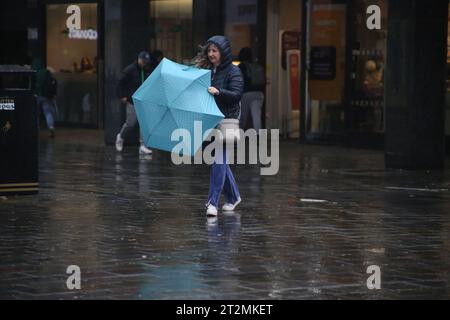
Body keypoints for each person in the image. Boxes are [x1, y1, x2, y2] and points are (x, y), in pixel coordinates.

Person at [195, 35, 244, 217]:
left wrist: (218, 91)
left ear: (223, 52)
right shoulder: (209, 71)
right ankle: (233, 196)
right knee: (219, 161)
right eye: (209, 50)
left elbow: (237, 94)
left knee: (219, 160)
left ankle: (212, 202)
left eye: (214, 50)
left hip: (227, 120)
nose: (211, 54)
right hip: (211, 120)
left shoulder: (233, 71)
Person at [115, 51, 153, 154]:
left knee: (144, 123)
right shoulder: (130, 69)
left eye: (146, 62)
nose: (144, 63)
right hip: (132, 101)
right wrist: (122, 96)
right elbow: (120, 82)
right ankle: (120, 137)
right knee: (130, 123)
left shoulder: (146, 69)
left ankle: (143, 145)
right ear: (139, 59)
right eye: (143, 61)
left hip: (143, 101)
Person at [238, 47, 265, 131]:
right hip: (259, 93)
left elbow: (238, 80)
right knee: (256, 116)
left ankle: (239, 135)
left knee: (242, 117)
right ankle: (259, 137)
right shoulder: (257, 65)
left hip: (246, 94)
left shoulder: (241, 66)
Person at [31, 58, 58, 138]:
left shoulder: (34, 72)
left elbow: (32, 85)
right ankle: (51, 127)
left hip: (37, 96)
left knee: (36, 114)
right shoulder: (46, 72)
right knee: (47, 112)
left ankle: (36, 129)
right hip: (46, 96)